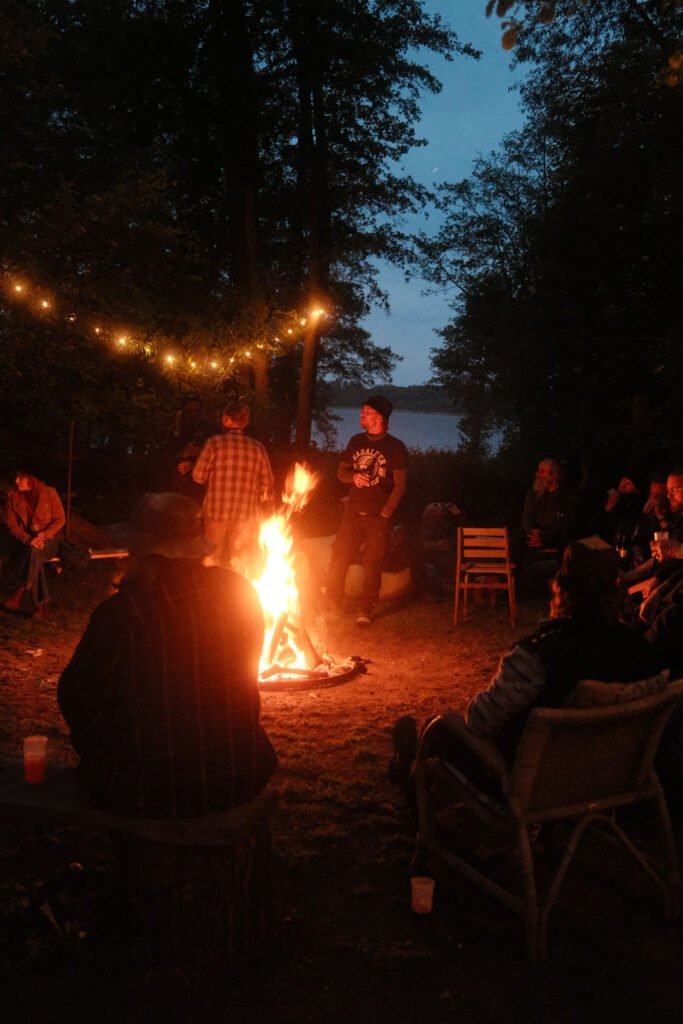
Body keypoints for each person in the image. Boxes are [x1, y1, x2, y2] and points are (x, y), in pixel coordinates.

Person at [58, 492, 277, 819]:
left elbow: (77, 697)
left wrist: (103, 744)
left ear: (140, 551)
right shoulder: (239, 591)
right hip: (242, 773)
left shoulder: (124, 612)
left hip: (150, 788)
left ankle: (139, 862)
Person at [390, 538, 659, 795]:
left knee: (440, 730)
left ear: (560, 587)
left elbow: (479, 722)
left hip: (525, 784)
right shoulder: (637, 649)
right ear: (616, 587)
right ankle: (408, 750)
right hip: (606, 777)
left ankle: (408, 754)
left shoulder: (538, 654)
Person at [326, 395, 408, 626]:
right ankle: (333, 604)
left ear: (379, 417)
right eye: (362, 411)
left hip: (378, 518)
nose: (362, 415)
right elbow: (340, 472)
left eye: (367, 411)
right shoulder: (356, 441)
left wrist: (386, 513)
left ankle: (365, 610)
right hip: (352, 514)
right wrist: (353, 476)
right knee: (339, 558)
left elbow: (401, 486)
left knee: (372, 564)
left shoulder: (395, 447)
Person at [192, 399, 274, 573]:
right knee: (242, 563)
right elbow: (268, 483)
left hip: (216, 512)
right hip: (246, 514)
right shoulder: (258, 448)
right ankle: (239, 597)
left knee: (211, 559)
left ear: (226, 419)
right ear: (246, 421)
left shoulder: (214, 443)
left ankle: (211, 596)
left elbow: (198, 476)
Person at [1, 470, 65, 617]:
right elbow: (12, 525)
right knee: (33, 555)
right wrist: (30, 540)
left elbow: (60, 519)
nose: (16, 481)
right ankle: (40, 605)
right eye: (15, 477)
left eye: (20, 477)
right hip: (26, 542)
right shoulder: (12, 497)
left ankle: (21, 588)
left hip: (49, 541)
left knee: (33, 554)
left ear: (31, 478)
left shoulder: (49, 494)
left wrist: (43, 535)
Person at [521, 457, 579, 554]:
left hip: (555, 536)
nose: (537, 474)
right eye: (538, 470)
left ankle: (561, 567)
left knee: (566, 538)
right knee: (517, 538)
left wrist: (544, 536)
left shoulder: (567, 494)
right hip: (535, 535)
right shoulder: (533, 493)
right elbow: (526, 517)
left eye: (542, 471)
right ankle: (516, 568)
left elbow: (567, 523)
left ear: (554, 475)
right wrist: (534, 534)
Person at [168, 392, 212, 501]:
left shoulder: (208, 426)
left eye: (196, 406)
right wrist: (181, 455)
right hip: (178, 479)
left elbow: (213, 451)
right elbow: (167, 448)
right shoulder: (175, 425)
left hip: (200, 481)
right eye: (189, 406)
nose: (193, 409)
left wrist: (194, 460)